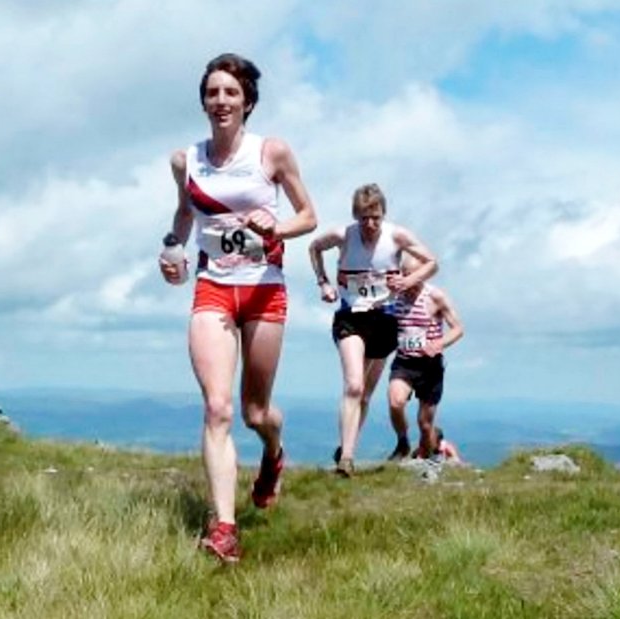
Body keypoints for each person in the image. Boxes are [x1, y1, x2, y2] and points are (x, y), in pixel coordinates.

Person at [158, 53, 318, 563]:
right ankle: (224, 527)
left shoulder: (271, 152)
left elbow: (309, 216)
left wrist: (278, 227)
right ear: (203, 100)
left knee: (254, 412)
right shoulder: (187, 160)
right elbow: (185, 214)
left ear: (247, 101)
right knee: (217, 408)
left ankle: (273, 454)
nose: (220, 101)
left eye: (231, 93)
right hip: (213, 288)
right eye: (212, 92)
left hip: (264, 289)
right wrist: (172, 246)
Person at [308, 184, 438, 477]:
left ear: (383, 215)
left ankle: (347, 449)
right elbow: (314, 247)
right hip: (351, 318)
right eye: (364, 217)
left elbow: (432, 262)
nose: (370, 224)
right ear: (356, 215)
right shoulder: (343, 235)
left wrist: (408, 280)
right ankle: (347, 460)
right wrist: (323, 282)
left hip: (385, 320)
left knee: (365, 394)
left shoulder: (397, 236)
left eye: (375, 217)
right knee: (353, 384)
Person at [386, 254, 464, 463]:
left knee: (425, 424)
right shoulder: (394, 296)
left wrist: (439, 344)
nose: (408, 280)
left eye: (413, 276)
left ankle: (427, 461)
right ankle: (403, 442)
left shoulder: (435, 297)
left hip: (430, 366)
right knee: (395, 402)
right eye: (405, 275)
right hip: (404, 361)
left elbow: (458, 329)